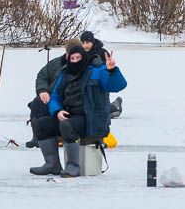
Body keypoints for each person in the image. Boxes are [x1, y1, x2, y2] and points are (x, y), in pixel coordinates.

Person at [29, 43, 127, 177]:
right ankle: (52, 165)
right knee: (39, 124)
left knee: (66, 125)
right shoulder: (65, 73)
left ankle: (73, 166)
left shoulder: (97, 71)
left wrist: (112, 70)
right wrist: (57, 111)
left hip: (90, 119)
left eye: (78, 58)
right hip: (68, 115)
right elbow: (55, 96)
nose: (75, 61)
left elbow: (117, 85)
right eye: (72, 58)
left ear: (84, 58)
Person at [80, 30, 122, 119]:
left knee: (101, 110)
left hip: (100, 84)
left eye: (87, 42)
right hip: (87, 83)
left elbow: (106, 69)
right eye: (83, 43)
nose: (85, 45)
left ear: (92, 41)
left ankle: (116, 106)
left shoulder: (102, 52)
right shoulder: (81, 52)